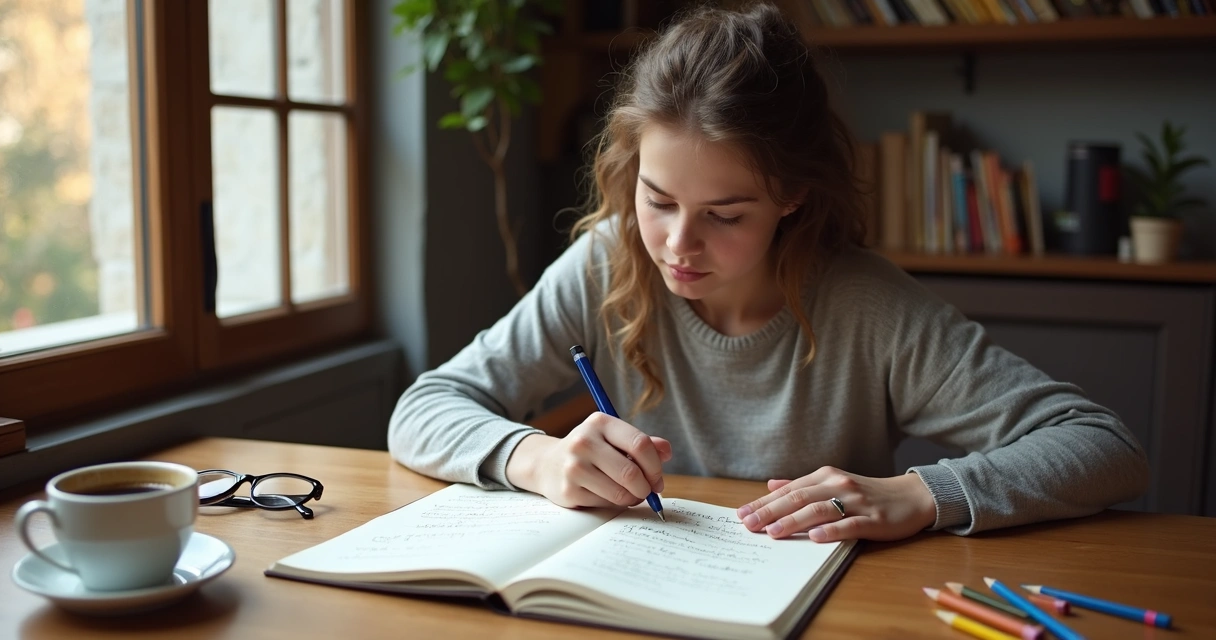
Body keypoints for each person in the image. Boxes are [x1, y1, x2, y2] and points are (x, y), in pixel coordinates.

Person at [389, 2, 1148, 543]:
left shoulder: (867, 305)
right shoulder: (608, 260)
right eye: (657, 200)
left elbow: (1102, 446)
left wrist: (922, 494)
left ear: (791, 196)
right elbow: (424, 408)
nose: (677, 244)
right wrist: (539, 457)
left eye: (725, 215)